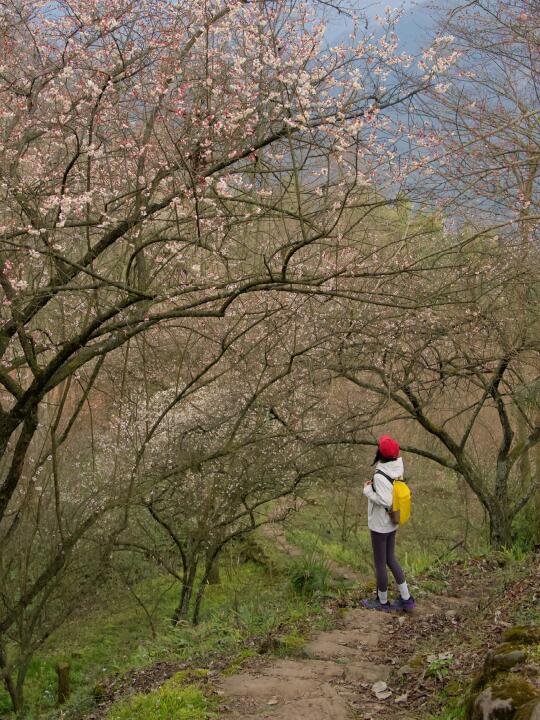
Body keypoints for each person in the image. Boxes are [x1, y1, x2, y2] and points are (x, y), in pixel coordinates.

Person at [361, 435, 415, 612]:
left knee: (380, 562)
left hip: (380, 525)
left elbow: (385, 500)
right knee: (391, 558)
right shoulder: (397, 466)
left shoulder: (380, 475)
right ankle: (406, 598)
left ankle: (382, 602)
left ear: (380, 453)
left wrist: (368, 490)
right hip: (393, 520)